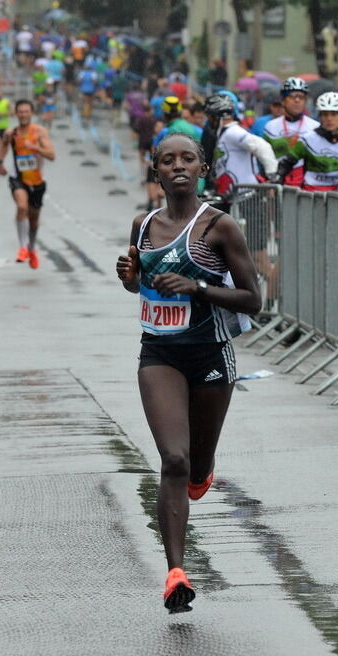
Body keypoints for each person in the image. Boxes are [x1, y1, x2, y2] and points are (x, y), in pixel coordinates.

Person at [115, 132, 261, 614]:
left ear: (203, 167)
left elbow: (253, 300)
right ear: (154, 169)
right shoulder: (142, 225)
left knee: (196, 466)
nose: (178, 166)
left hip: (211, 357)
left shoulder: (219, 227)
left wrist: (198, 287)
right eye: (167, 160)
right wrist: (130, 278)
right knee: (173, 460)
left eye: (187, 159)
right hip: (159, 355)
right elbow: (143, 288)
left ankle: (203, 472)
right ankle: (176, 572)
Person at [0, 100, 56, 268]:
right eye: (20, 112)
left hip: (37, 181)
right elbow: (3, 147)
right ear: (16, 114)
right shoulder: (11, 133)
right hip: (18, 178)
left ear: (32, 113)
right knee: (22, 207)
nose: (23, 114)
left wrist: (36, 148)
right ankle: (22, 248)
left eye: (26, 111)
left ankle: (31, 248)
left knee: (34, 219)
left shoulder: (39, 132)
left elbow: (51, 155)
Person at [277, 92, 338, 192]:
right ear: (320, 117)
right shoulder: (307, 139)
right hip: (310, 196)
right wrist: (277, 182)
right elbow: (286, 164)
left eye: (334, 114)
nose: (329, 119)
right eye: (325, 114)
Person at [205, 93, 277, 198]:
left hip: (245, 197)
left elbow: (262, 146)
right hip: (233, 196)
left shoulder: (233, 132)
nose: (208, 121)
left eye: (209, 117)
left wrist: (272, 177)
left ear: (215, 116)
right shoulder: (225, 133)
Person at [264, 77, 319, 188]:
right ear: (283, 101)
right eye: (292, 96)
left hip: (305, 186)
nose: (297, 100)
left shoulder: (315, 126)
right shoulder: (271, 126)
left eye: (301, 97)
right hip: (278, 184)